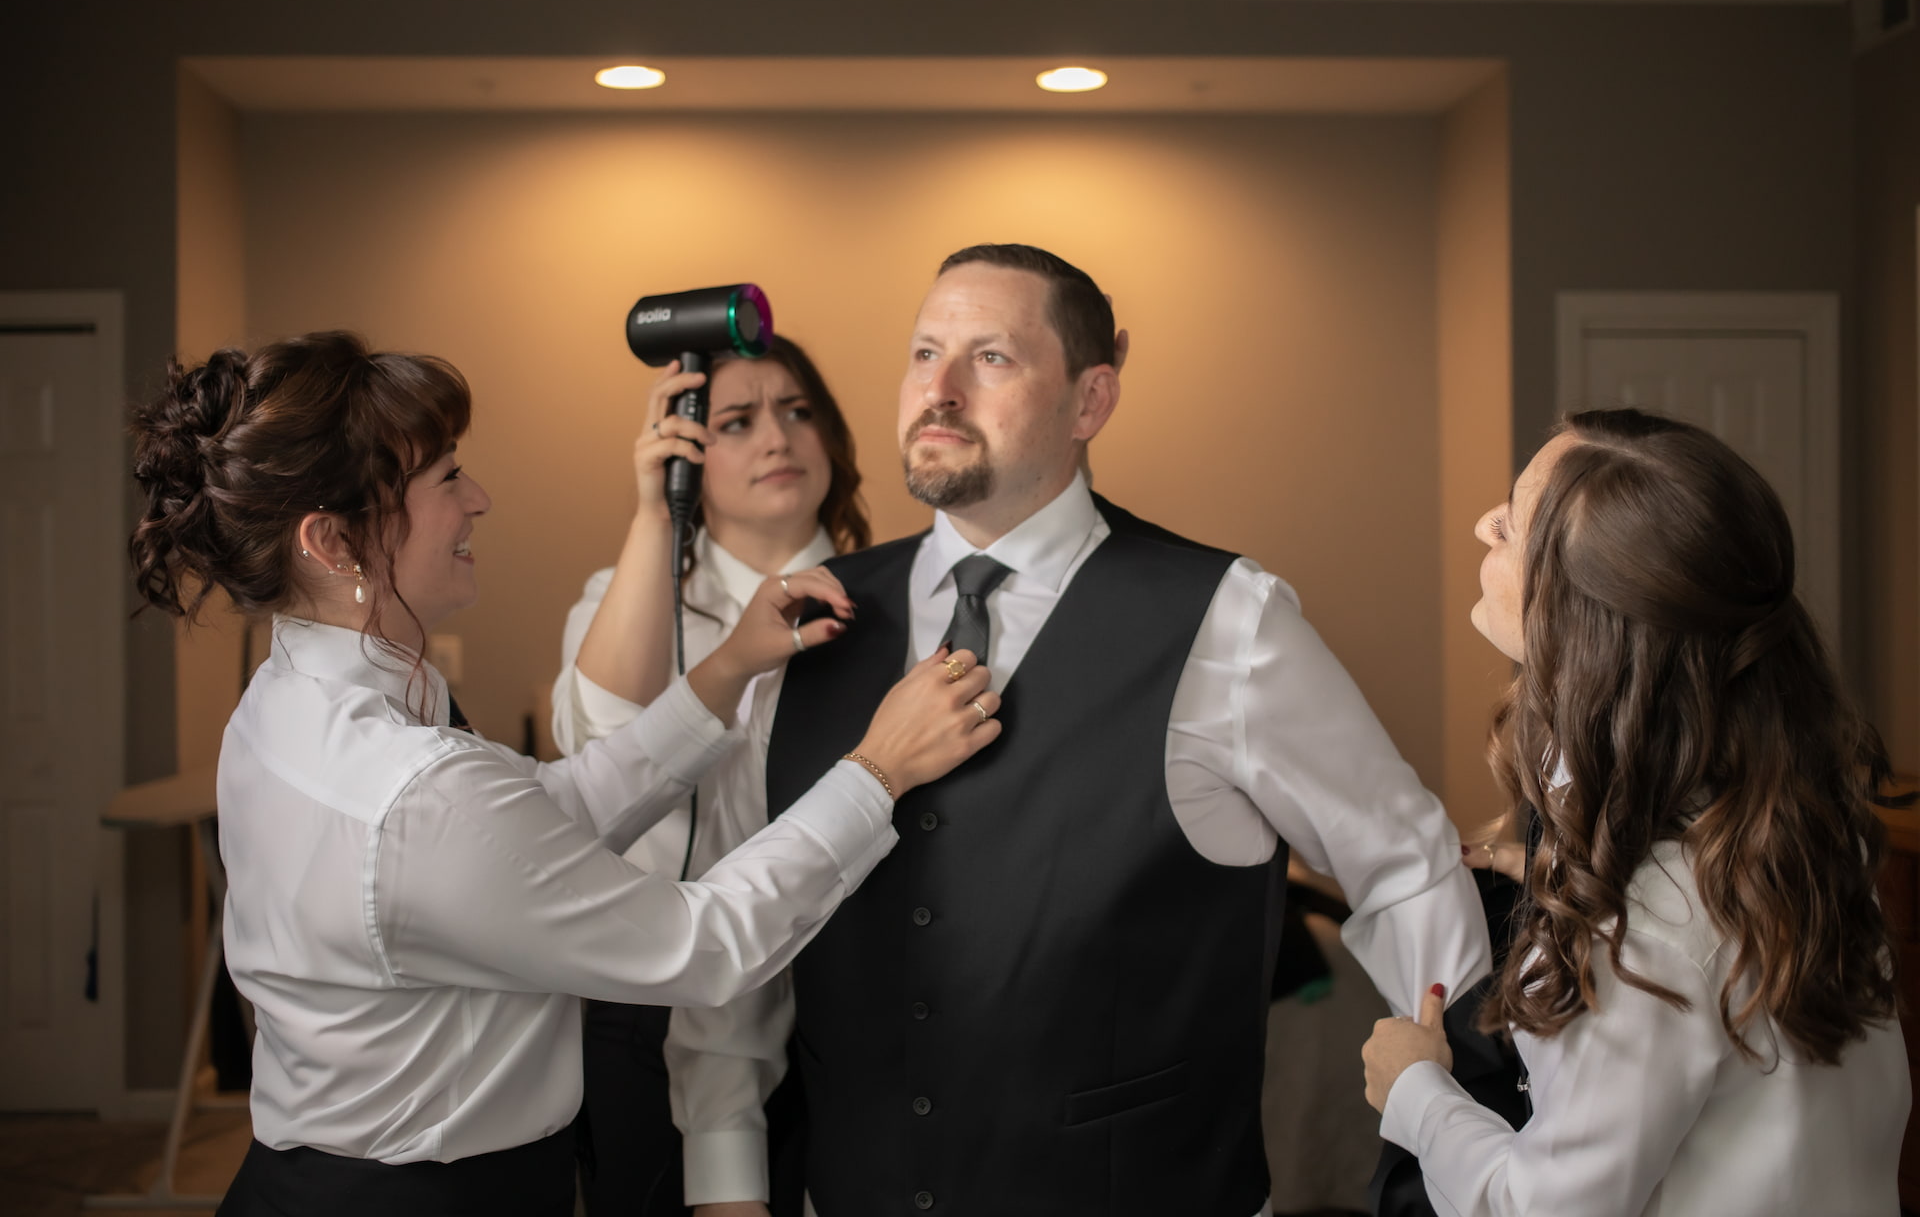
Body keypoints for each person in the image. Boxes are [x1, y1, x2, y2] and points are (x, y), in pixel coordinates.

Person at [668, 244, 1491, 1217]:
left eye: (992, 358)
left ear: (1090, 400)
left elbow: (1404, 866)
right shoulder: (810, 622)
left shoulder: (1227, 618)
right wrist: (724, 1185)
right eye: (924, 352)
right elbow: (742, 932)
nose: (939, 388)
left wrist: (1463, 1117)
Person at [125, 331, 1003, 1217]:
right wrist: (878, 769)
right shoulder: (410, 791)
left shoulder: (286, 699)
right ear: (332, 541)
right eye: (444, 479)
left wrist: (724, 671)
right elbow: (704, 945)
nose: (479, 499)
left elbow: (547, 814)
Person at [1361, 408, 1911, 1216]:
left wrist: (1415, 1089)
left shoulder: (1649, 931)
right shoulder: (1795, 828)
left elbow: (1543, 1208)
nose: (1485, 523)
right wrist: (1545, 863)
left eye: (1511, 525)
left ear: (1579, 621)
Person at [552, 335, 869, 1216]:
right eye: (736, 421)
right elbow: (606, 738)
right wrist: (657, 515)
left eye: (797, 411)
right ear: (689, 450)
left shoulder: (899, 601)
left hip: (854, 1006)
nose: (777, 437)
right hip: (654, 1015)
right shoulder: (628, 597)